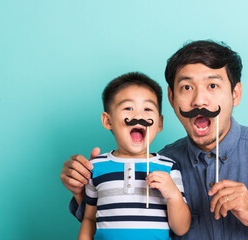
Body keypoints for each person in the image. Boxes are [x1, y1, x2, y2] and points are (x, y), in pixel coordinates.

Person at [61, 40, 248, 239]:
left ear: (235, 94)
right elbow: (117, 222)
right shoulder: (157, 164)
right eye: (186, 87)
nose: (199, 101)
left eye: (213, 86)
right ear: (171, 99)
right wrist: (81, 190)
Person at [76, 72, 191, 240]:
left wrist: (173, 194)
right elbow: (89, 218)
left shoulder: (169, 167)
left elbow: (181, 229)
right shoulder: (96, 166)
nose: (139, 116)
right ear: (108, 121)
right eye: (128, 108)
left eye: (148, 109)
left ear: (159, 123)